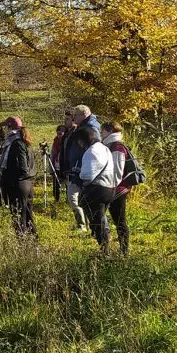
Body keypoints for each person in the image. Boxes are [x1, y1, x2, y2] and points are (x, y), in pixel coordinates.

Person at [78, 129, 121, 254]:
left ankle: (104, 249)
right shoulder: (104, 148)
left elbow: (87, 175)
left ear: (83, 140)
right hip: (109, 188)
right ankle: (105, 246)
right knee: (102, 219)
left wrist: (78, 173)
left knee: (97, 221)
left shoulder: (91, 151)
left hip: (97, 189)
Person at [64, 105, 102, 234]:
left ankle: (91, 228)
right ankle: (87, 226)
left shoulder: (91, 128)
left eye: (76, 116)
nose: (73, 118)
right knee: (78, 200)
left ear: (83, 115)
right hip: (77, 168)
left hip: (84, 169)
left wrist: (81, 165)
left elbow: (94, 150)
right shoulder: (80, 128)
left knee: (81, 200)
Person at [0, 116, 36, 238]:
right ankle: (33, 238)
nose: (4, 130)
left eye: (5, 127)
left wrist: (12, 179)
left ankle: (23, 241)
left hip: (18, 183)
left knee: (18, 213)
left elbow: (23, 166)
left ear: (10, 128)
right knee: (27, 212)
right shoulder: (23, 140)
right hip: (26, 183)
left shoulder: (16, 143)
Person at [101, 122, 131, 255]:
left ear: (109, 131)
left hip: (117, 190)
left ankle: (124, 250)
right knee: (111, 219)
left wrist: (110, 188)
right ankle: (108, 248)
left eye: (102, 131)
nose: (101, 133)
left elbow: (117, 173)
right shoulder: (109, 145)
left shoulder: (117, 147)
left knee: (120, 220)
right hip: (111, 188)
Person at [50, 124, 66, 203]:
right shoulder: (55, 141)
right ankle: (56, 199)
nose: (60, 132)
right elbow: (52, 154)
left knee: (67, 184)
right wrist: (51, 166)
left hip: (65, 167)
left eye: (62, 130)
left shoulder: (67, 141)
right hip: (56, 166)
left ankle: (68, 200)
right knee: (55, 184)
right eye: (58, 130)